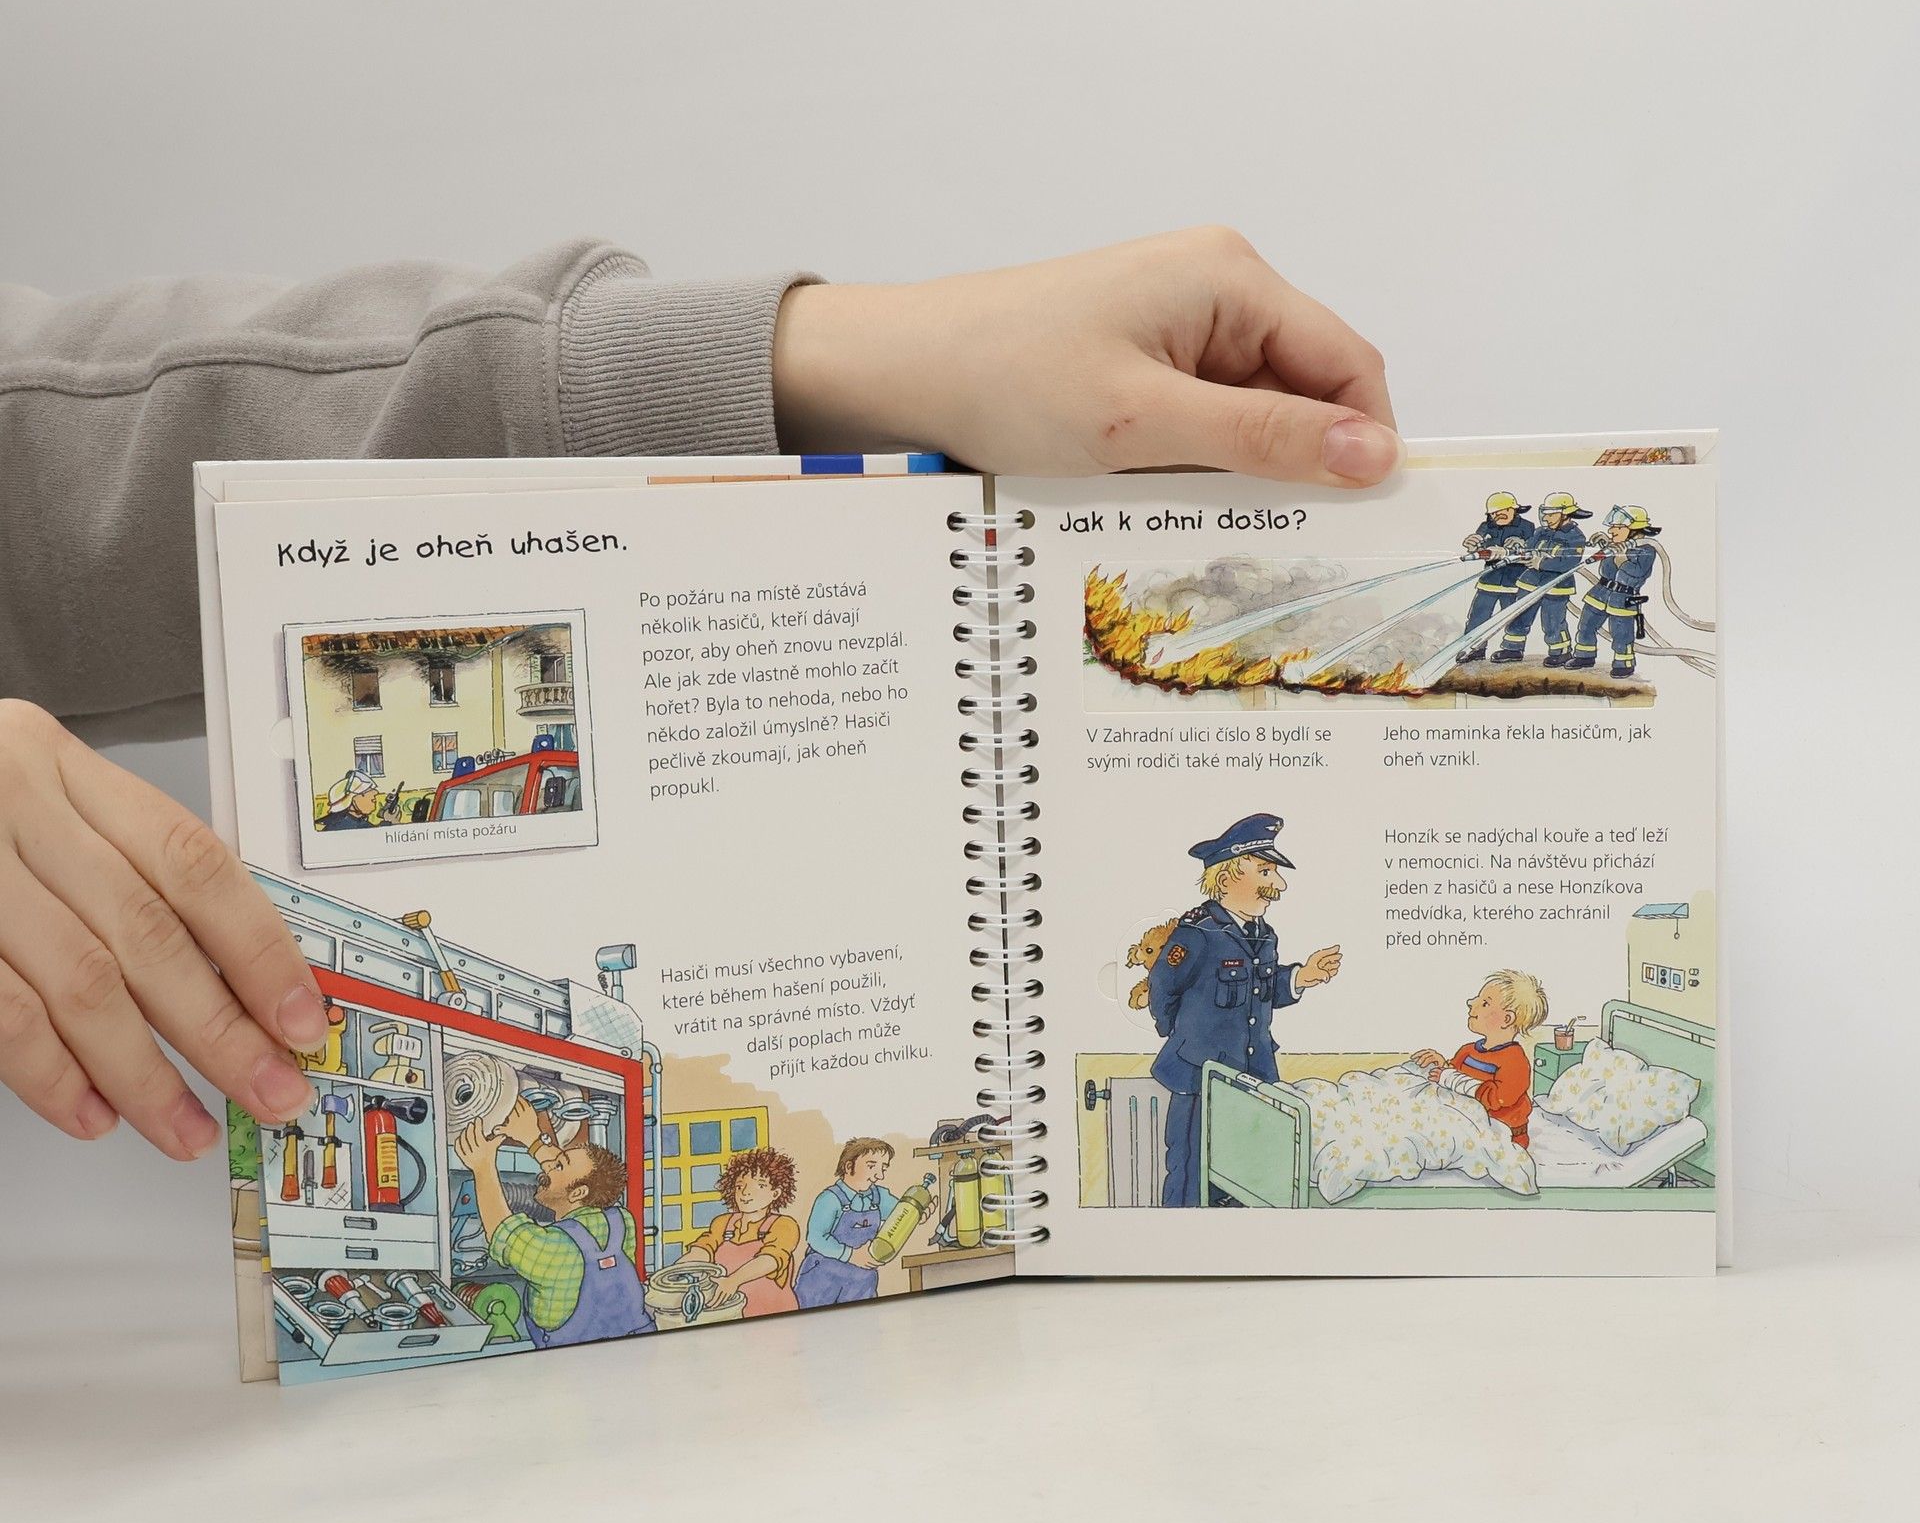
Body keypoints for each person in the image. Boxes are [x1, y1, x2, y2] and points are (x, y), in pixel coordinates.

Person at [0, 227, 1397, 1159]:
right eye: (1259, 870)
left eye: (1270, 874)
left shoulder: (1241, 935)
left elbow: (48, 469)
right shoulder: (1184, 935)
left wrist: (825, 359)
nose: (1265, 884)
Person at [1147, 814, 1343, 1207]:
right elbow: (1162, 990)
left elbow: (1263, 991)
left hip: (1253, 1078)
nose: (1278, 885)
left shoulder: (1264, 936)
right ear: (1226, 878)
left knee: (1248, 1180)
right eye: (1266, 872)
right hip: (1201, 1079)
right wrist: (1186, 1040)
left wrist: (1301, 977)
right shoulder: (1198, 933)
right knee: (1191, 1181)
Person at [452, 1097, 653, 1347]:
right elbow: (578, 1174)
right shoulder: (621, 1221)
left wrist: (482, 1166)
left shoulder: (555, 1250)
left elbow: (502, 1231)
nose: (547, 1167)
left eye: (558, 1166)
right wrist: (533, 1139)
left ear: (578, 1193)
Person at [1411, 969, 1549, 1151]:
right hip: (1467, 1122)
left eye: (1485, 1003)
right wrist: (1441, 1065)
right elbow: (1450, 1077)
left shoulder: (1514, 1061)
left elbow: (1498, 1098)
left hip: (1502, 1133)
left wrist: (1450, 1078)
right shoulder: (1468, 1051)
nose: (1471, 1002)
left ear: (1507, 1019)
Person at [683, 1146, 803, 1318]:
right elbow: (703, 1248)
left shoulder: (784, 1225)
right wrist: (676, 1271)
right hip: (729, 1315)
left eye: (759, 1186)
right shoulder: (722, 1223)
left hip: (773, 1315)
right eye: (740, 1186)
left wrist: (733, 1281)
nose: (746, 1193)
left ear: (775, 1193)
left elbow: (771, 1258)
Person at [793, 1138, 902, 1309]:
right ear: (849, 1167)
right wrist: (850, 1255)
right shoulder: (829, 1199)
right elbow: (816, 1237)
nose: (879, 1176)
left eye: (883, 1168)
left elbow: (901, 1213)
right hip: (821, 1280)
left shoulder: (879, 1196)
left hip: (862, 1281)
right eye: (871, 1166)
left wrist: (918, 1212)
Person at [1493, 491, 1591, 667]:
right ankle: (1512, 648)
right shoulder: (1541, 532)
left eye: (1551, 514)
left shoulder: (1575, 537)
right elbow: (1529, 548)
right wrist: (1518, 548)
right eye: (1545, 514)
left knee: (1552, 621)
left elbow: (1568, 562)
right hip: (1530, 582)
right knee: (1519, 616)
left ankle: (1560, 652)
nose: (1546, 518)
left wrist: (1541, 563)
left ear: (1565, 514)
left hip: (1555, 587)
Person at [1567, 505, 1659, 678]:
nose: (1611, 531)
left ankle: (1623, 664)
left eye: (1618, 527)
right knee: (1586, 624)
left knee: (1621, 633)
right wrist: (1605, 544)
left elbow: (1635, 575)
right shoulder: (1616, 545)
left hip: (1623, 597)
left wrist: (1621, 558)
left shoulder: (1647, 550)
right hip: (1600, 592)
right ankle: (1584, 656)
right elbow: (1605, 570)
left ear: (1634, 529)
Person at [1458, 491, 1536, 662]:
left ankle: (1513, 649)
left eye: (1503, 511)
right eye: (1493, 513)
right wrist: (1473, 545)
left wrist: (1520, 546)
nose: (1497, 515)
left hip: (1515, 582)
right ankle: (1474, 649)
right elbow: (1480, 546)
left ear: (1513, 509)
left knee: (1515, 617)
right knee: (1478, 616)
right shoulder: (1485, 526)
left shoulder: (1527, 527)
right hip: (1489, 581)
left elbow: (1532, 551)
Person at [314, 769, 383, 831]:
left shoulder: (364, 824)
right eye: (364, 793)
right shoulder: (336, 828)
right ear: (350, 801)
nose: (374, 798)